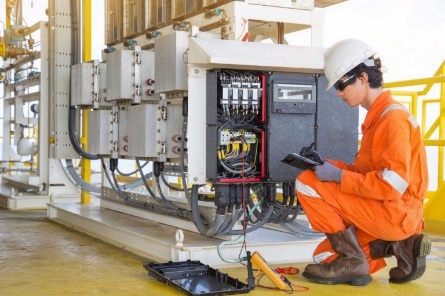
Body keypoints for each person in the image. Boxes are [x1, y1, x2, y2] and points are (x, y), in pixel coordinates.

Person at [295, 39, 431, 286]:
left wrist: (337, 177)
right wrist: (329, 165)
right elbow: (367, 173)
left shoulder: (392, 120)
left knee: (306, 183)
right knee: (324, 256)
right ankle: (399, 246)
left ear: (363, 79)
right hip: (389, 211)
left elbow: (390, 186)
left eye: (340, 84)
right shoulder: (379, 117)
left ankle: (354, 258)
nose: (338, 92)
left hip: (395, 211)